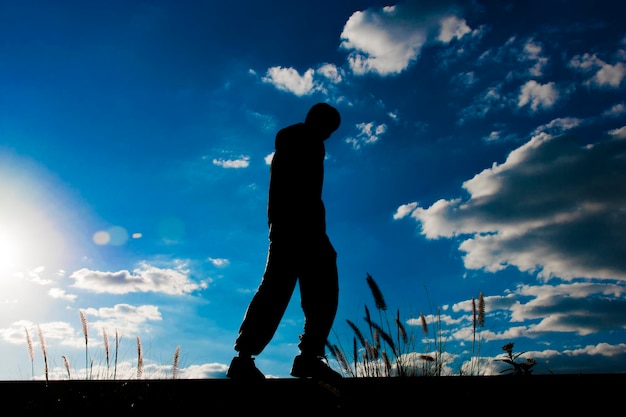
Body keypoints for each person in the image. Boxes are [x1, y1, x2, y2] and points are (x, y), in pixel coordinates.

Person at [227, 102, 342, 382]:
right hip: (297, 228)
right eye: (328, 129)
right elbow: (297, 190)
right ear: (319, 122)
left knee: (296, 291)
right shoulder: (300, 140)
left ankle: (300, 357)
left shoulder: (306, 142)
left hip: (297, 228)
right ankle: (254, 358)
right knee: (285, 291)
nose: (328, 136)